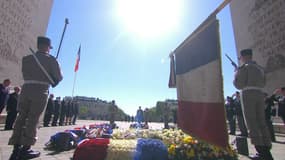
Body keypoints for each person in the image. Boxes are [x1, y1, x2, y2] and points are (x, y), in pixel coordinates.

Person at [8, 36, 63, 160]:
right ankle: (26, 148)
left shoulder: (27, 59)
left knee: (21, 117)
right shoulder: (51, 60)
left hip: (26, 89)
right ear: (47, 47)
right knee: (33, 119)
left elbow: (25, 74)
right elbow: (59, 77)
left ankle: (15, 147)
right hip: (40, 90)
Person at [233, 49, 273, 160]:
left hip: (247, 94)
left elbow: (238, 84)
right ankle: (267, 148)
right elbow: (264, 82)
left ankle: (261, 152)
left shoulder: (244, 68)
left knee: (251, 122)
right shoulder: (260, 68)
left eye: (240, 57)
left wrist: (236, 72)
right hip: (259, 93)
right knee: (261, 121)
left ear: (243, 56)